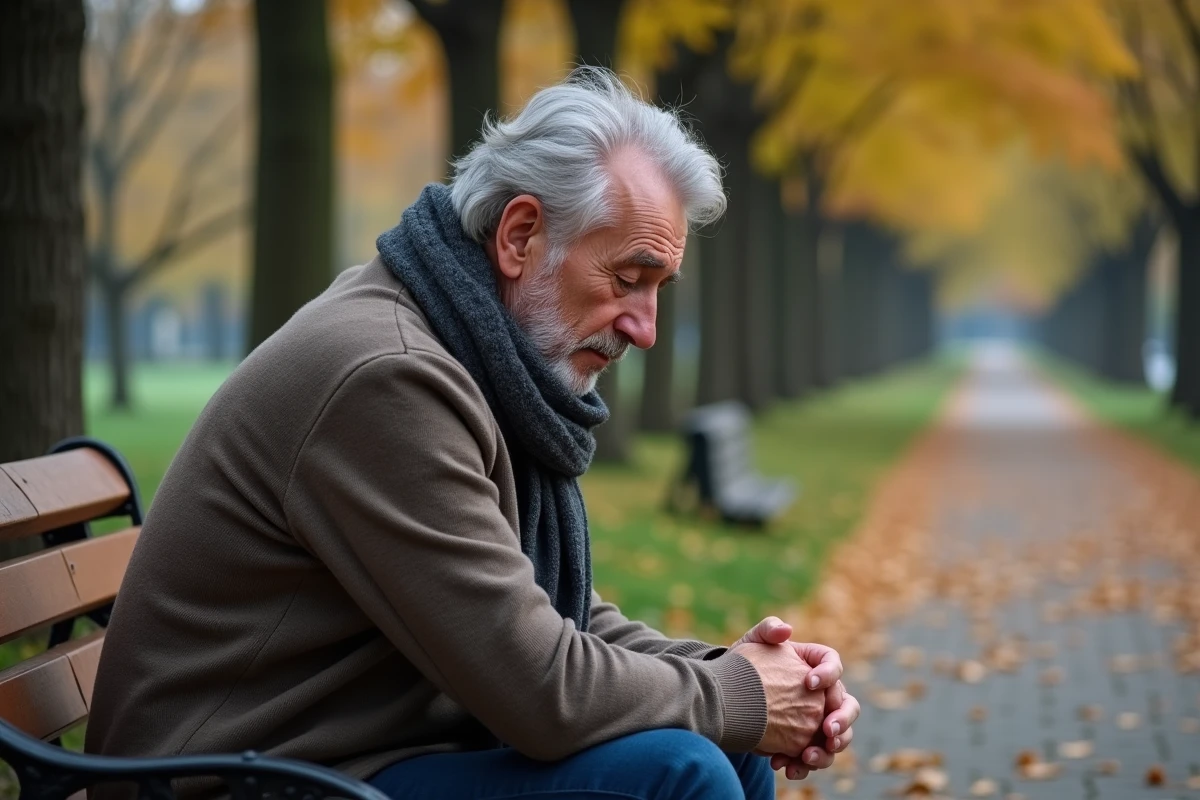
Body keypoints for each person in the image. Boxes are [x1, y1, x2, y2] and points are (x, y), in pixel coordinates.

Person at [86, 67, 859, 800]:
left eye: (658, 289)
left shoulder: (464, 343)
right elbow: (538, 690)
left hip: (339, 757)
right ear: (521, 236)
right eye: (627, 279)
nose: (645, 328)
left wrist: (755, 677)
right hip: (232, 780)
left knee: (718, 742)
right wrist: (736, 694)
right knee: (680, 771)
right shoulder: (387, 377)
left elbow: (555, 614)